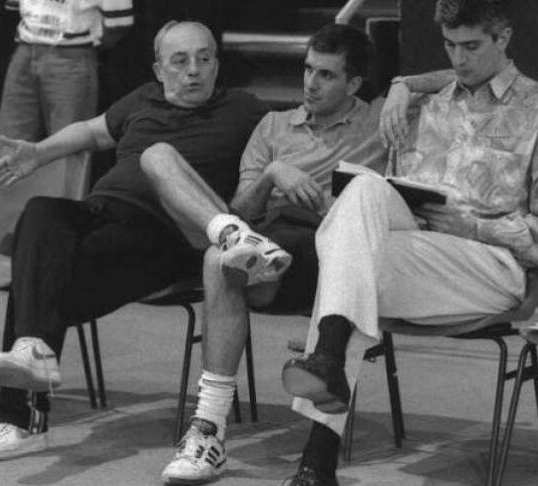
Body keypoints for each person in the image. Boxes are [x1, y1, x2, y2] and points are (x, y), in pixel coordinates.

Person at [281, 0, 538, 484]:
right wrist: (405, 86)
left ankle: (319, 442)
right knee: (362, 194)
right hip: (418, 255)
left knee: (351, 262)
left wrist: (472, 225)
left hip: (493, 267)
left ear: (503, 38)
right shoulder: (426, 105)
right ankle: (324, 402)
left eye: (472, 46)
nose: (459, 58)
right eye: (449, 45)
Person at [0, 20, 289, 462]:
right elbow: (92, 131)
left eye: (204, 58)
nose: (194, 70)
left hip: (163, 236)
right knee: (40, 214)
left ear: (217, 63)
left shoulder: (244, 110)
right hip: (102, 215)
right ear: (159, 69)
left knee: (34, 274)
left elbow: (291, 139)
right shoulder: (143, 98)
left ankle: (21, 418)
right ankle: (32, 353)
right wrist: (39, 153)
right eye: (180, 61)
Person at [161, 24, 388, 485]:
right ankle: (208, 432)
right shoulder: (273, 126)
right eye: (307, 69)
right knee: (219, 257)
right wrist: (272, 175)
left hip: (333, 256)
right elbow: (239, 211)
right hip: (269, 241)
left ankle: (208, 426)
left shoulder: (379, 126)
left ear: (354, 84)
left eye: (326, 75)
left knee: (228, 259)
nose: (310, 83)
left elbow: (453, 75)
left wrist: (404, 86)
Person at [0, 0, 134, 216]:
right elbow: (14, 6)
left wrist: (85, 44)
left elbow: (119, 21)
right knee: (8, 149)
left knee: (67, 152)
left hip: (72, 54)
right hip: (26, 48)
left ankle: (59, 233)